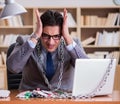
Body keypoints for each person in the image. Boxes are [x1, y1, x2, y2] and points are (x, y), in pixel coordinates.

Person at [6, 8, 88, 91]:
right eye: (45, 35)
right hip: (32, 98)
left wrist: (67, 37)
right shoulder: (25, 42)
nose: (51, 42)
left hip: (64, 98)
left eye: (56, 36)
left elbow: (87, 68)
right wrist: (36, 36)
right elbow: (13, 68)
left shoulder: (72, 44)